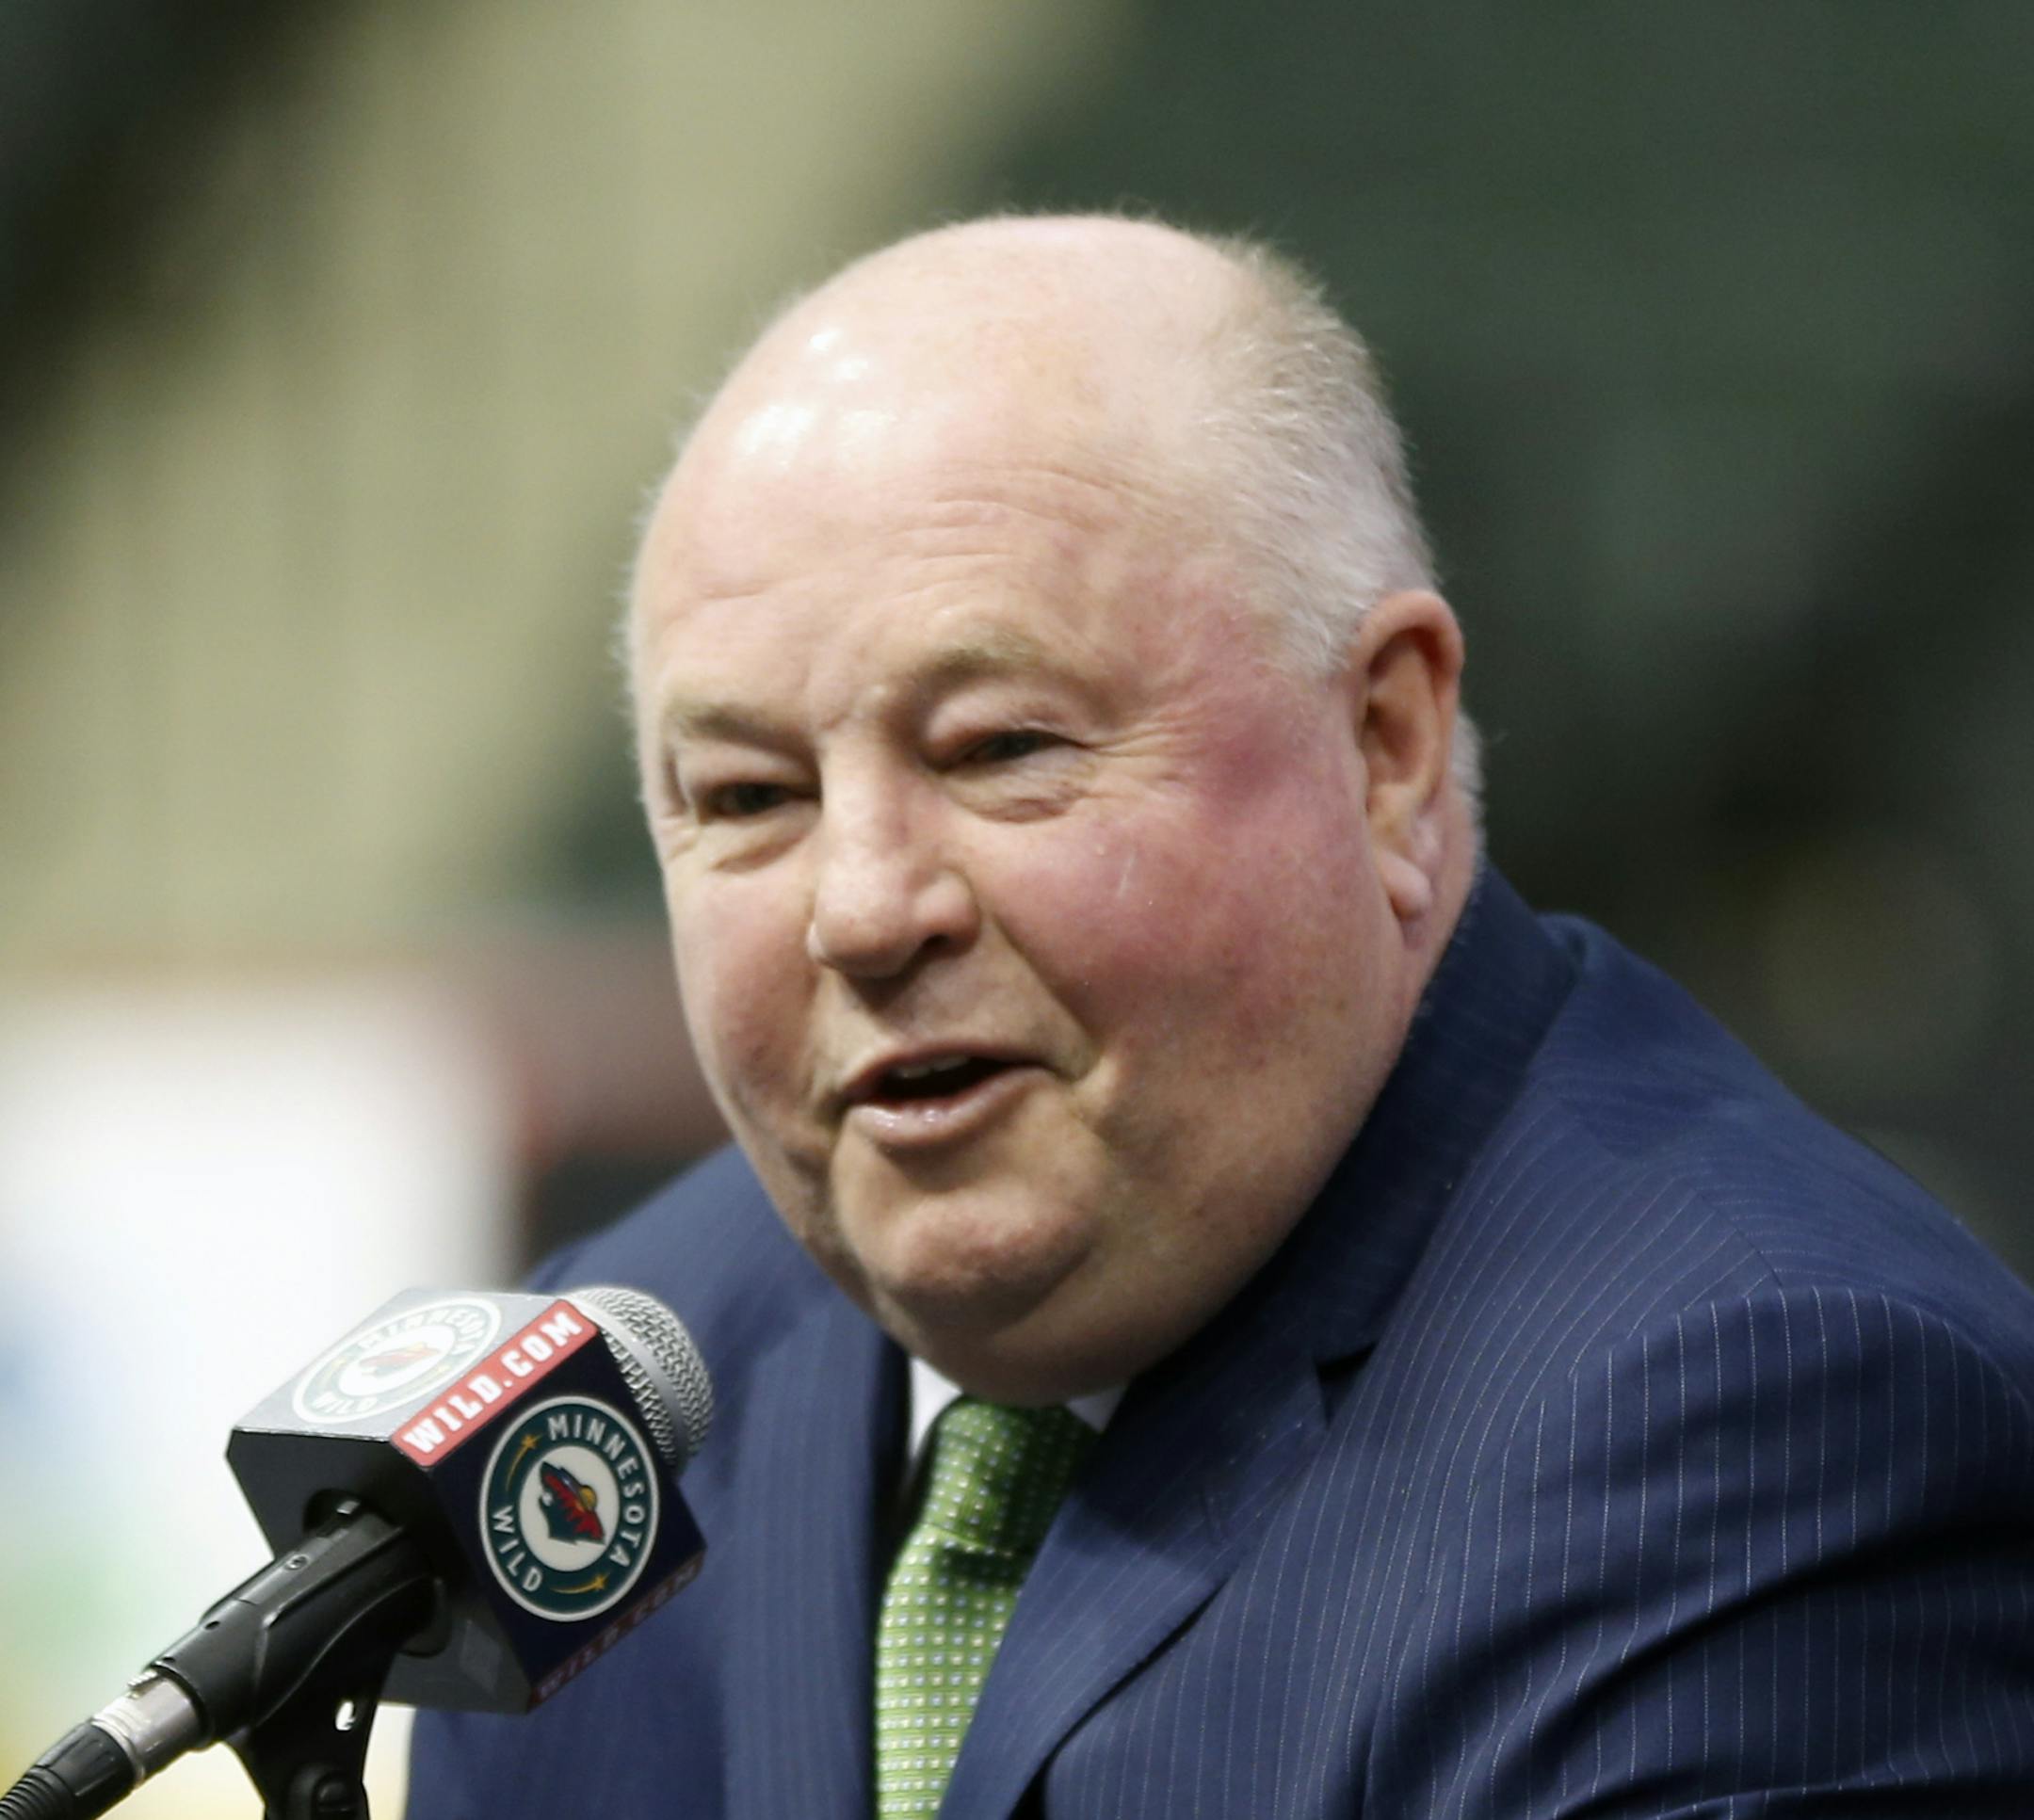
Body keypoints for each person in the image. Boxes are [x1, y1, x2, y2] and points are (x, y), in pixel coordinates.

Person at [407, 216, 2034, 1817]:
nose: (861, 905)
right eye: (751, 795)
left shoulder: (1771, 1419)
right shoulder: (613, 1389)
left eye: (1000, 747)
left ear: (1385, 744)